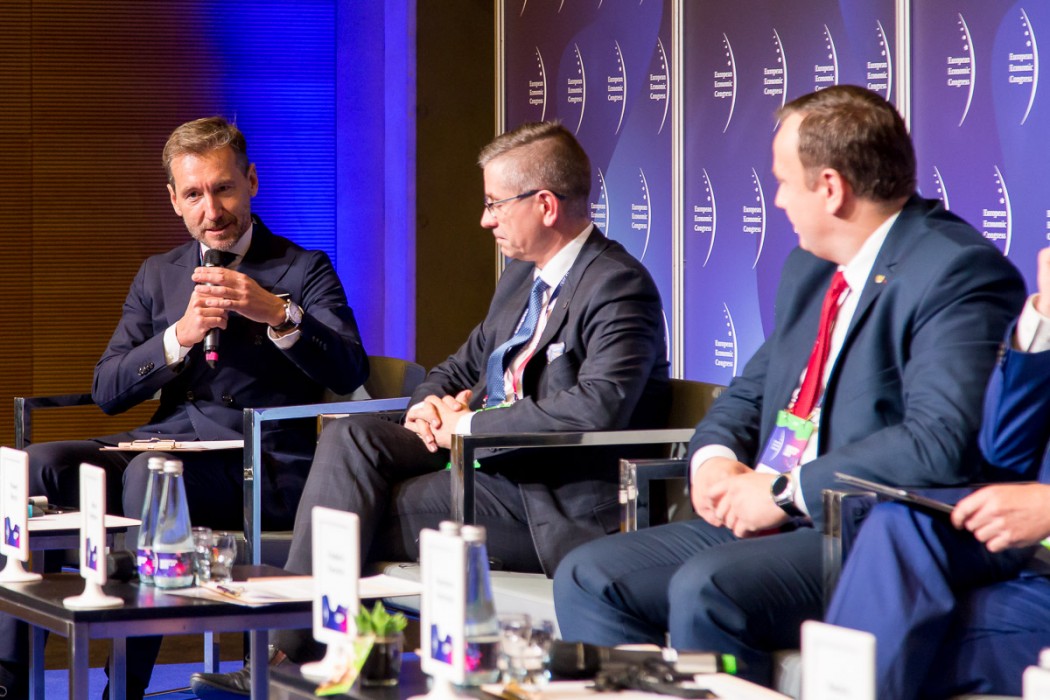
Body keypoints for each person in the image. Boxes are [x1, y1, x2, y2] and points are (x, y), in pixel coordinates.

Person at [552, 85, 1027, 687]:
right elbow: (753, 387)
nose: (776, 200)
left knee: (708, 588)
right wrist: (714, 459)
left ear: (830, 188)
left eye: (782, 182)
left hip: (872, 528)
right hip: (780, 511)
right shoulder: (812, 266)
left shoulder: (956, 270)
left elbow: (939, 441)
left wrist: (782, 491)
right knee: (589, 575)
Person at [189, 120, 670, 698]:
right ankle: (303, 658)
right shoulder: (522, 278)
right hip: (482, 466)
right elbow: (459, 366)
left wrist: (468, 426)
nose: (486, 220)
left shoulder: (618, 285)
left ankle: (287, 660)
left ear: (544, 205)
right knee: (350, 436)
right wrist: (428, 408)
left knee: (350, 517)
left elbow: (597, 409)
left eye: (495, 204)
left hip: (548, 497)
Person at [0, 116, 369, 700]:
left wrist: (279, 314)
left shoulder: (304, 268)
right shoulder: (160, 273)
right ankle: (7, 680)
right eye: (194, 194)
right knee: (33, 468)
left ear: (251, 181)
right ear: (174, 200)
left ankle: (124, 688)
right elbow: (107, 389)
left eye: (223, 189)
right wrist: (179, 336)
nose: (211, 210)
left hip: (259, 466)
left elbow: (351, 370)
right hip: (164, 441)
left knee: (153, 479)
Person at [824, 246, 1050, 698]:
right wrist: (1044, 319)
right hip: (1030, 561)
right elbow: (1004, 453)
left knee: (901, 641)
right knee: (897, 523)